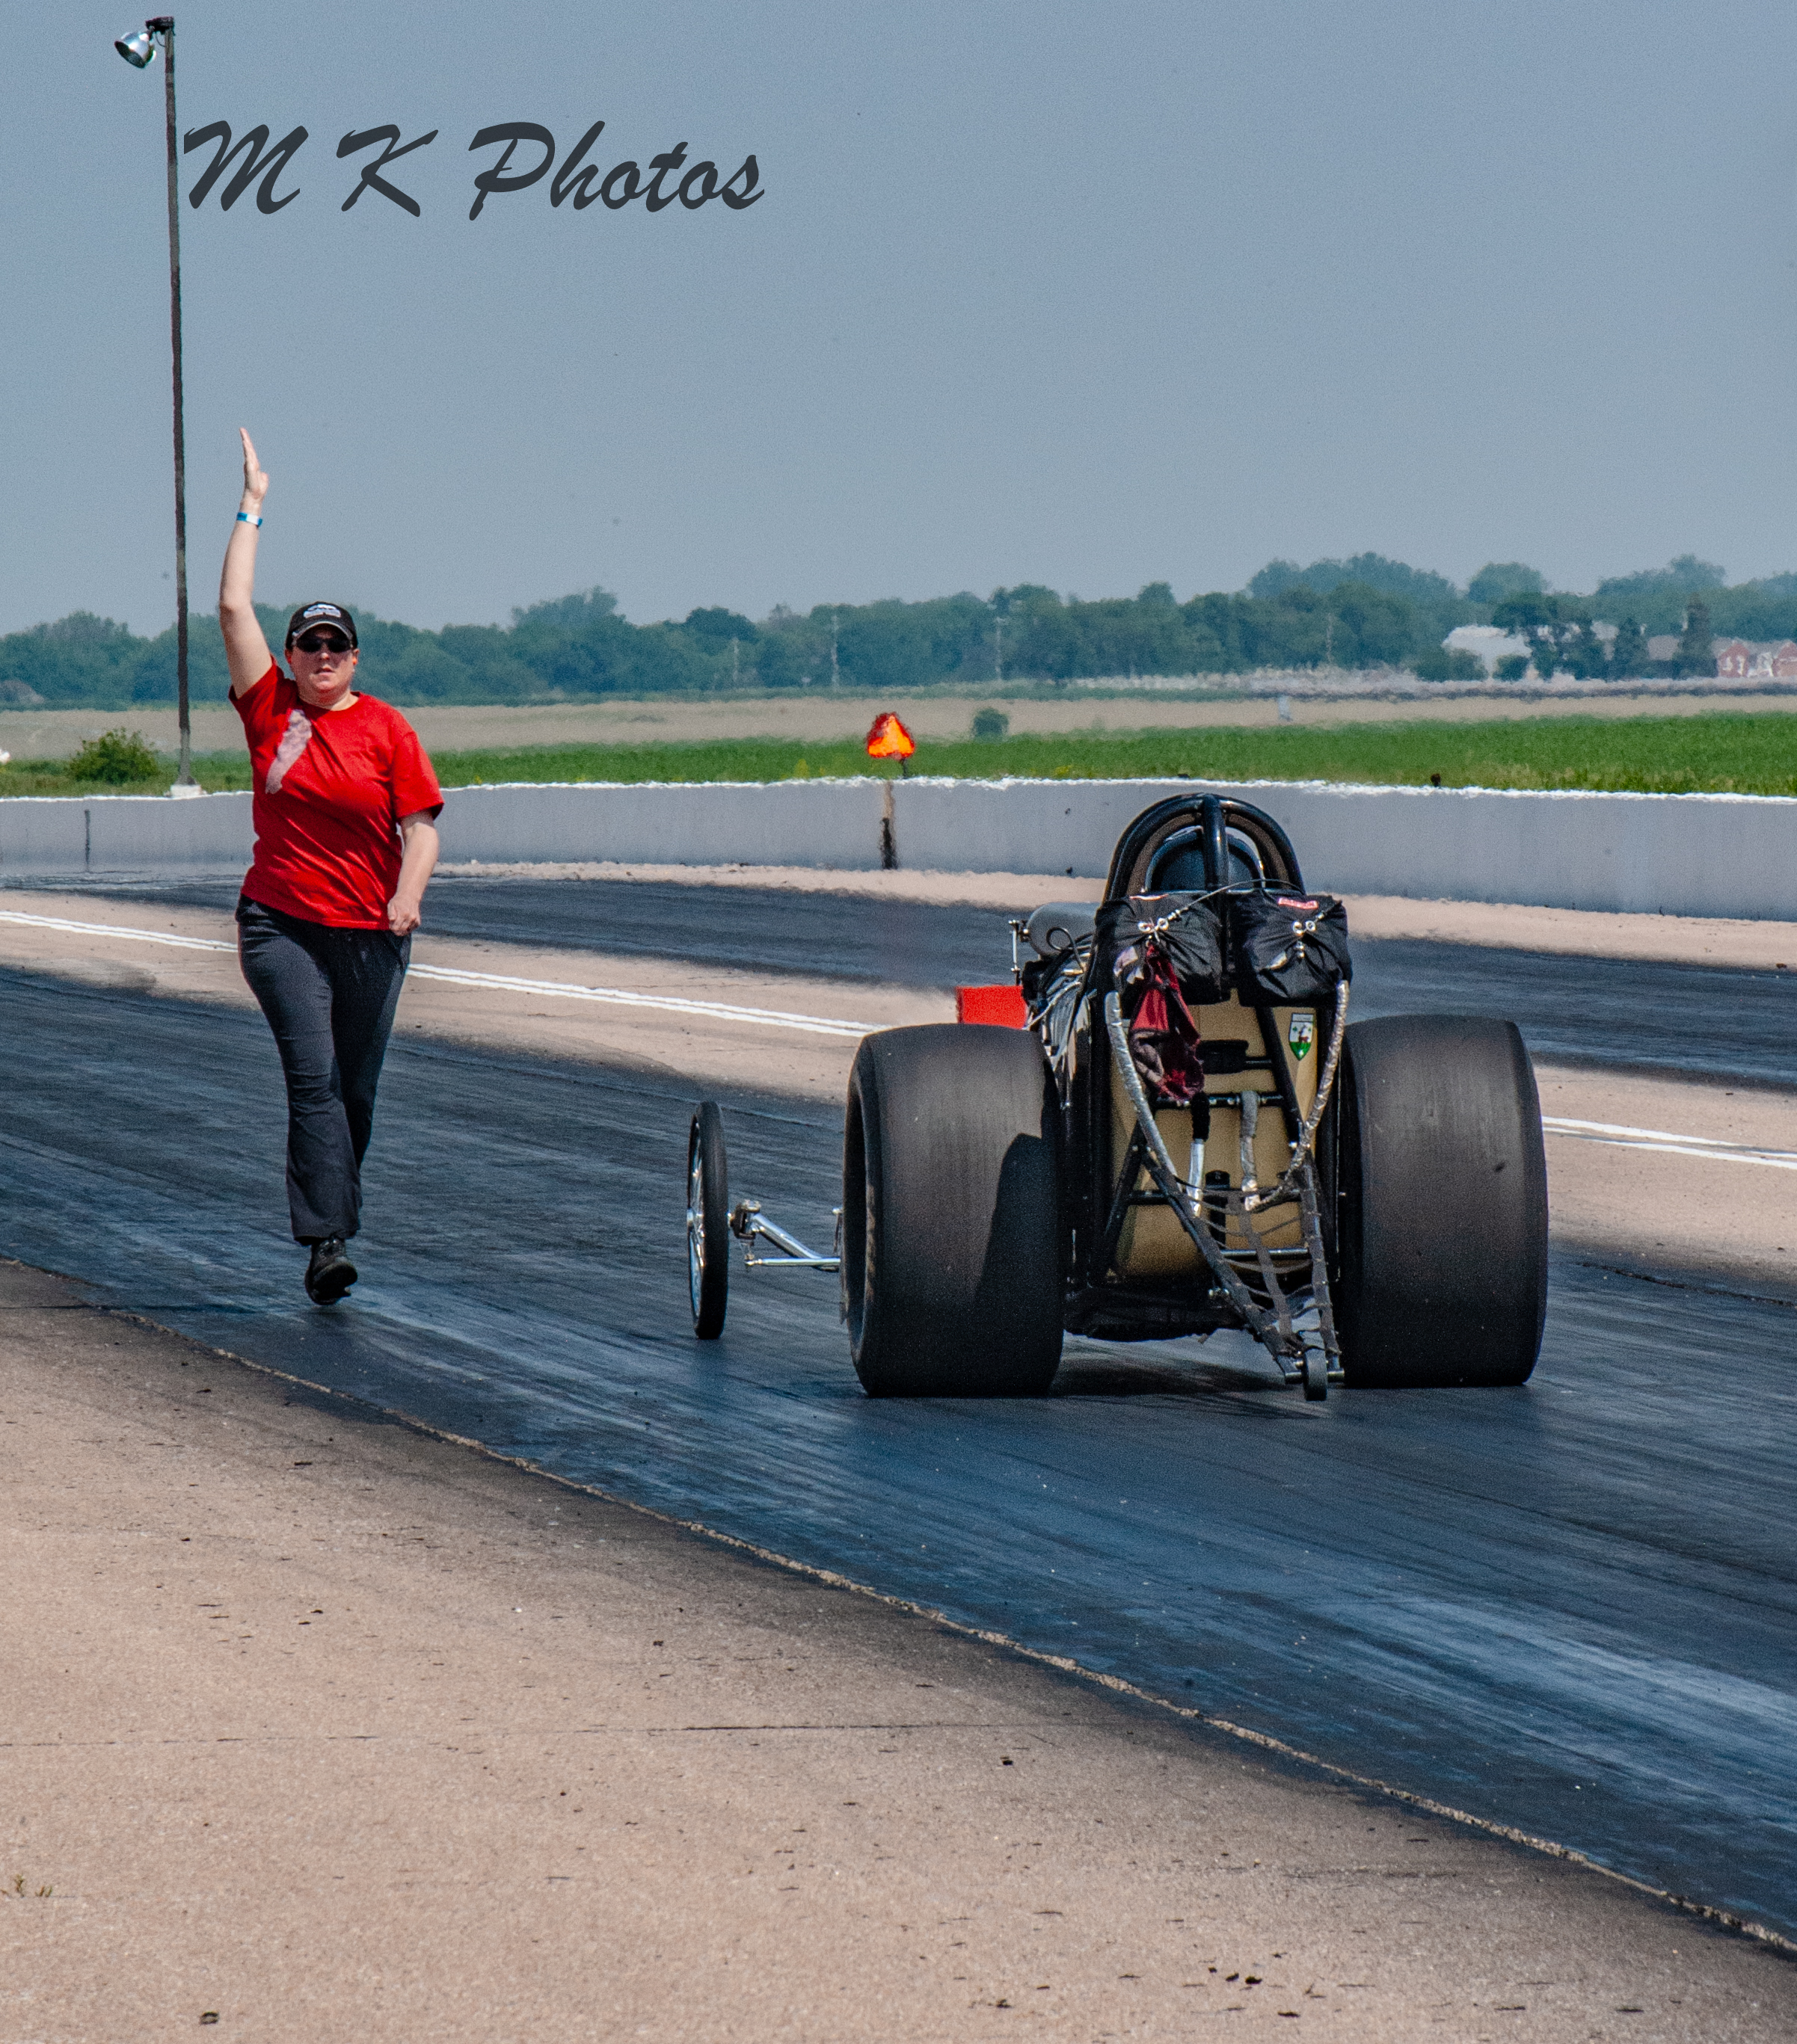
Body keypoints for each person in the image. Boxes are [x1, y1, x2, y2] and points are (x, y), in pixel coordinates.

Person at [218, 428, 443, 1305]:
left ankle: (335, 1214)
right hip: (282, 926)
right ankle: (327, 1243)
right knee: (312, 1081)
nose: (320, 657)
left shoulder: (387, 728)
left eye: (334, 647)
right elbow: (233, 608)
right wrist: (252, 505)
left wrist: (407, 896)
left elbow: (420, 828)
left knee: (354, 1093)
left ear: (354, 657)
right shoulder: (269, 709)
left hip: (373, 932)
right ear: (291, 655)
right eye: (307, 645)